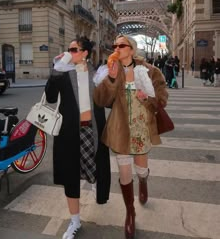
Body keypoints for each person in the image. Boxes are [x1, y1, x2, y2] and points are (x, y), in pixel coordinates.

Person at [93, 34, 168, 239]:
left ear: (132, 50)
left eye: (121, 45)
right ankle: (130, 212)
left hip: (141, 128)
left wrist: (147, 98)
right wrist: (110, 78)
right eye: (114, 45)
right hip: (119, 128)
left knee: (140, 169)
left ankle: (143, 180)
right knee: (124, 172)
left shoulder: (150, 71)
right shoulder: (111, 70)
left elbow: (161, 99)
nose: (116, 48)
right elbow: (100, 100)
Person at [45, 37, 111, 239]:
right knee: (70, 175)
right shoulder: (63, 73)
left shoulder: (97, 74)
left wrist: (113, 81)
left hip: (93, 131)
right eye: (69, 49)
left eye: (74, 49)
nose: (70, 52)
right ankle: (74, 221)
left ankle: (96, 188)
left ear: (85, 53)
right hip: (69, 132)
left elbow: (108, 102)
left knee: (96, 169)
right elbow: (50, 98)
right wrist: (56, 70)